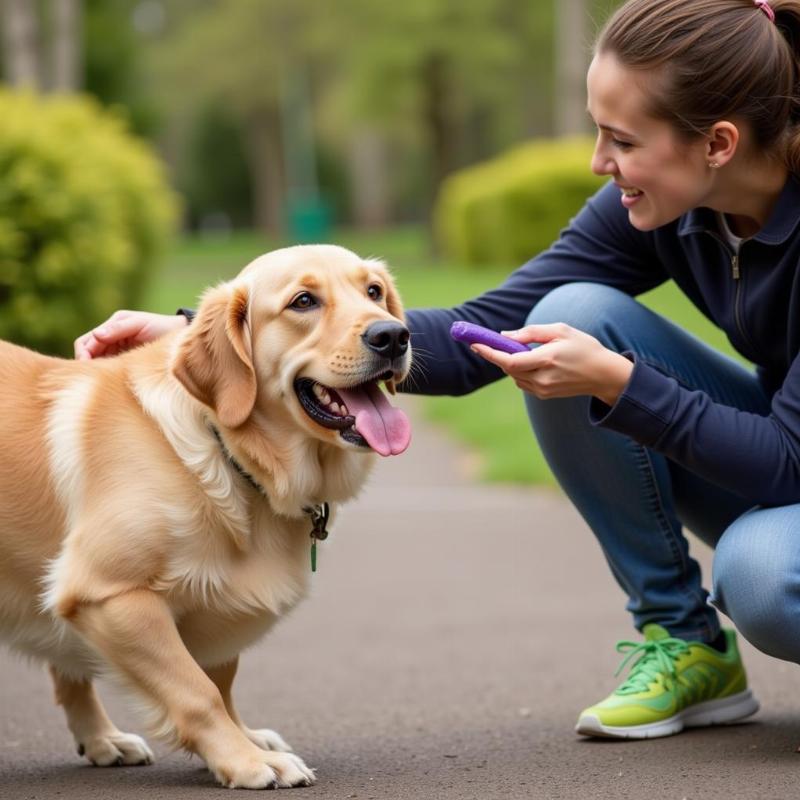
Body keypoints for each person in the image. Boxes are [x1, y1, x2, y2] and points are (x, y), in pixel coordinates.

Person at [74, 0, 800, 741]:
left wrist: (619, 384)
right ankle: (686, 643)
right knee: (563, 319)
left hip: (787, 471)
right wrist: (201, 335)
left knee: (762, 575)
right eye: (597, 131)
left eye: (621, 139)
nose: (597, 162)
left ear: (716, 143)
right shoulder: (661, 206)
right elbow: (477, 335)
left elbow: (787, 467)